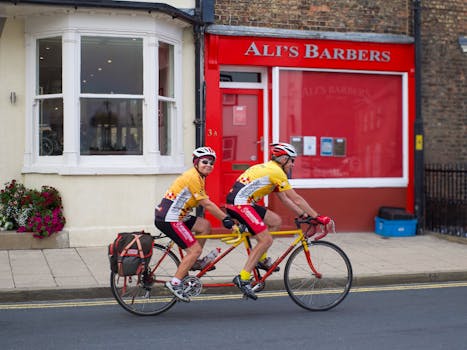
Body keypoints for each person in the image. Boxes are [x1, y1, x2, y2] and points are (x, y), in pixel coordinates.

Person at [225, 142, 331, 300]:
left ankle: (261, 259)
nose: (293, 164)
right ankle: (243, 277)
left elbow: (285, 199)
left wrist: (303, 215)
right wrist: (318, 216)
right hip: (240, 204)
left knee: (275, 221)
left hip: (243, 202)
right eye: (291, 160)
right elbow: (296, 198)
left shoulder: (270, 169)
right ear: (282, 159)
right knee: (265, 239)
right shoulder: (276, 172)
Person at [155, 146, 235, 302]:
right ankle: (175, 283)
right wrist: (226, 219)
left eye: (212, 163)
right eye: (204, 161)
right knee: (195, 249)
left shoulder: (199, 178)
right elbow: (206, 203)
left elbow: (205, 202)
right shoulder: (193, 177)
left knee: (204, 226)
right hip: (170, 218)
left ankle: (193, 261)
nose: (208, 165)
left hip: (177, 215)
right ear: (196, 163)